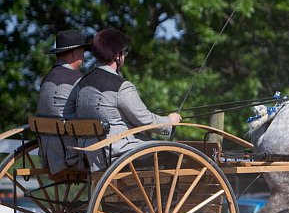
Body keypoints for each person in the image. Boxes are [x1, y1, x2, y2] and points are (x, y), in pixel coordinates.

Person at [72, 28, 181, 170]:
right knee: (174, 155)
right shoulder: (121, 86)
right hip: (119, 154)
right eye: (124, 53)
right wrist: (169, 122)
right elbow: (145, 120)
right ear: (117, 56)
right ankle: (166, 194)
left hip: (91, 155)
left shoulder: (81, 83)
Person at [36, 29, 90, 175]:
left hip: (49, 155)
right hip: (72, 155)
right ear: (74, 53)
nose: (84, 58)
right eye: (83, 52)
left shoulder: (45, 80)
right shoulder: (79, 80)